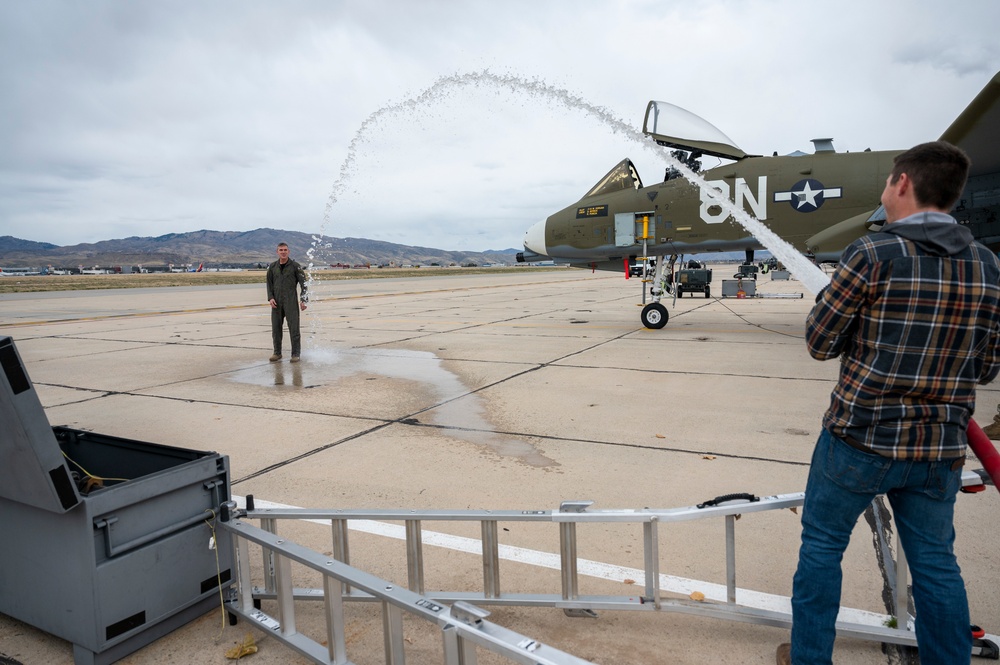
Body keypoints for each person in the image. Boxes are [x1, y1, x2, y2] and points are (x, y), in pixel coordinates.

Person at [779, 141, 1000, 665]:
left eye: (886, 183)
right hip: (937, 449)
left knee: (821, 551)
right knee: (936, 566)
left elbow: (819, 342)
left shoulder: (872, 253)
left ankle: (810, 658)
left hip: (859, 439)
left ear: (902, 184)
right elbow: (987, 366)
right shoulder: (988, 265)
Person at [266, 242, 308, 362]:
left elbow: (304, 284)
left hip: (290, 301)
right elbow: (269, 284)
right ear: (277, 252)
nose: (283, 252)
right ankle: (277, 353)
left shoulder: (295, 266)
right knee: (276, 328)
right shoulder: (273, 267)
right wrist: (270, 298)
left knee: (294, 328)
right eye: (281, 250)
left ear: (288, 251)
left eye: (285, 250)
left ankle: (295, 354)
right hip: (276, 302)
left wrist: (303, 300)